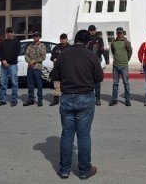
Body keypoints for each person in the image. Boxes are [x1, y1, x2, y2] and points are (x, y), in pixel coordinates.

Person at [51, 29, 104, 180]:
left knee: (67, 135)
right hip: (85, 97)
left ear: (74, 40)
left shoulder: (63, 55)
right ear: (87, 42)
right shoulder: (90, 55)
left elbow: (56, 76)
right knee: (84, 136)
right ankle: (85, 170)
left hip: (67, 97)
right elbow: (99, 77)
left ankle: (64, 170)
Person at [0, 27, 21, 107]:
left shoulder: (17, 42)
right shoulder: (2, 43)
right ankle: (2, 100)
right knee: (3, 83)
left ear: (13, 33)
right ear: (6, 34)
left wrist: (8, 61)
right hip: (3, 65)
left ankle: (14, 100)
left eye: (11, 32)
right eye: (8, 32)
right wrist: (3, 60)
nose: (9, 34)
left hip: (12, 65)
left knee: (14, 83)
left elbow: (16, 53)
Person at [109, 27, 132, 107]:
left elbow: (130, 52)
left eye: (120, 33)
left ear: (123, 33)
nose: (119, 34)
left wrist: (126, 59)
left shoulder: (126, 42)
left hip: (124, 66)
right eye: (118, 33)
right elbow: (112, 51)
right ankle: (114, 99)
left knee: (126, 83)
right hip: (115, 65)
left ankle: (127, 100)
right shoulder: (113, 42)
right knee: (115, 83)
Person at [24, 32, 47, 107]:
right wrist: (29, 61)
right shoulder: (30, 46)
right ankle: (31, 99)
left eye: (36, 36)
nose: (35, 38)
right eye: (34, 36)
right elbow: (26, 55)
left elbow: (43, 56)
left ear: (39, 37)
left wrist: (35, 61)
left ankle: (40, 100)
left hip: (37, 67)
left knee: (39, 84)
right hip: (30, 67)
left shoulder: (42, 46)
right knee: (30, 84)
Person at [49, 33, 70, 106]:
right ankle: (56, 99)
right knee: (56, 84)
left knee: (67, 84)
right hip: (57, 69)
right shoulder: (56, 47)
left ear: (67, 39)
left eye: (64, 38)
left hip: (66, 70)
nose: (63, 40)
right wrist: (53, 59)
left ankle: (67, 99)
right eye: (61, 38)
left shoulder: (70, 48)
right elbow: (51, 57)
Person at [87, 25, 105, 106]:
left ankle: (98, 99)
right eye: (91, 30)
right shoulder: (86, 39)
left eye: (93, 30)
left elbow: (102, 49)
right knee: (88, 81)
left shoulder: (99, 39)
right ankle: (89, 99)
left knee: (97, 82)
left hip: (96, 63)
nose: (92, 32)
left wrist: (96, 56)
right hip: (87, 63)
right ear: (88, 31)